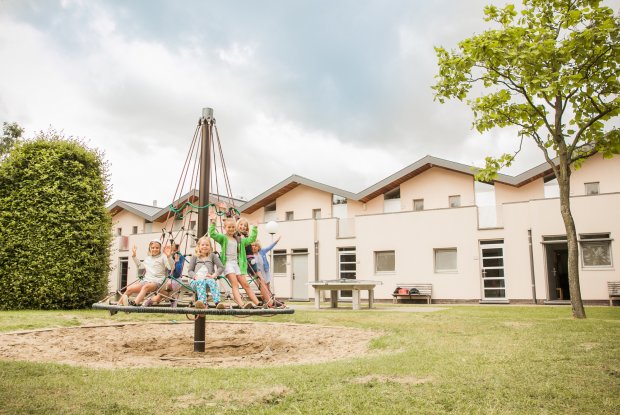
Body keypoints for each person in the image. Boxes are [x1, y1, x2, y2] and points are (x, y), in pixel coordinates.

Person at [209, 210, 259, 308]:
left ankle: (258, 303)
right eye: (229, 227)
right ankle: (241, 304)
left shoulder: (239, 240)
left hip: (236, 264)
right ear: (225, 228)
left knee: (245, 284)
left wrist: (255, 228)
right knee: (235, 284)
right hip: (227, 264)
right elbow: (212, 234)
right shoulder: (223, 238)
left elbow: (251, 239)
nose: (231, 229)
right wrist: (213, 222)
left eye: (233, 227)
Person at [119, 239, 173, 306]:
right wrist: (134, 256)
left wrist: (169, 257)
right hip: (146, 281)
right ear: (150, 248)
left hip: (157, 282)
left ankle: (134, 304)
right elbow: (140, 267)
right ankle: (116, 307)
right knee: (129, 288)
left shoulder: (163, 257)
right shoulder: (148, 258)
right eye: (152, 248)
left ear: (160, 249)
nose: (155, 249)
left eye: (157, 248)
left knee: (146, 287)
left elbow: (171, 267)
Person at [237, 218, 276, 307]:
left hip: (252, 261)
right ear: (238, 225)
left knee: (261, 281)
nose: (243, 227)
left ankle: (270, 301)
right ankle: (269, 302)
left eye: (245, 226)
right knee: (259, 281)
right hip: (247, 261)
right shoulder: (237, 236)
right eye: (241, 225)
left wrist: (254, 228)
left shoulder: (245, 236)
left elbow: (252, 238)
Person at [188, 236, 226, 309]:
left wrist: (214, 275)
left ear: (210, 247)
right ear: (198, 246)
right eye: (202, 245)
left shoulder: (212, 256)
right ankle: (203, 303)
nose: (205, 246)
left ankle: (218, 303)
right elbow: (190, 271)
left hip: (208, 281)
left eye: (207, 245)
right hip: (196, 281)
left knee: (212, 281)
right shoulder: (195, 256)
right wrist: (195, 276)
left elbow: (221, 267)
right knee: (201, 281)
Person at [144, 243, 185, 307]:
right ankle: (151, 301)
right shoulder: (167, 258)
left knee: (162, 288)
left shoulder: (180, 257)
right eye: (171, 251)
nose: (172, 252)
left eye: (174, 251)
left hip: (175, 281)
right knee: (159, 295)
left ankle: (172, 299)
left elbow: (177, 274)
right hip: (167, 281)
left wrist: (176, 262)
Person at [251, 237, 285, 308]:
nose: (254, 247)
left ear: (258, 247)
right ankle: (266, 301)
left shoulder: (262, 251)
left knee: (268, 286)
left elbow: (269, 247)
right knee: (263, 287)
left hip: (265, 271)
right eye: (252, 246)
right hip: (258, 273)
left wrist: (276, 242)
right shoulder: (251, 255)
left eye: (255, 246)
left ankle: (270, 300)